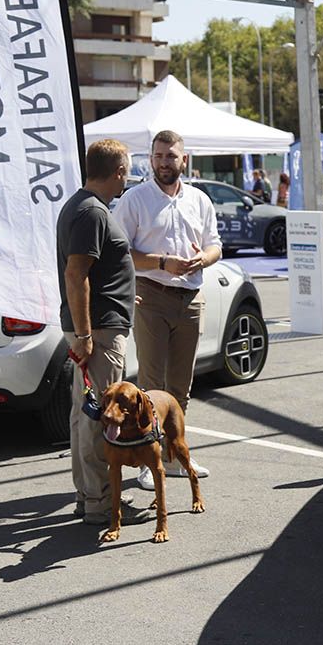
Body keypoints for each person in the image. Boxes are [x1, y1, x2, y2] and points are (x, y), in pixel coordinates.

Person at [112, 129, 222, 489]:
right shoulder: (135, 199)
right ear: (150, 159)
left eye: (170, 156)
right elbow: (121, 252)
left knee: (180, 385)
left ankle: (173, 454)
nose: (163, 163)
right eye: (157, 156)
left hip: (190, 297)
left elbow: (215, 247)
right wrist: (162, 262)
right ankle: (149, 459)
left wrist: (201, 259)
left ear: (183, 159)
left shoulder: (199, 200)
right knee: (151, 384)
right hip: (151, 295)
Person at [56, 139, 152, 527]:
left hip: (98, 321)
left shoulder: (81, 206)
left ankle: (90, 497)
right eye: (126, 171)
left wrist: (125, 297)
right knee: (103, 417)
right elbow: (75, 274)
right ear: (117, 171)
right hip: (96, 329)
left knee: (87, 415)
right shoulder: (92, 212)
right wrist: (84, 333)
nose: (127, 178)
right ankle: (100, 502)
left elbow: (95, 272)